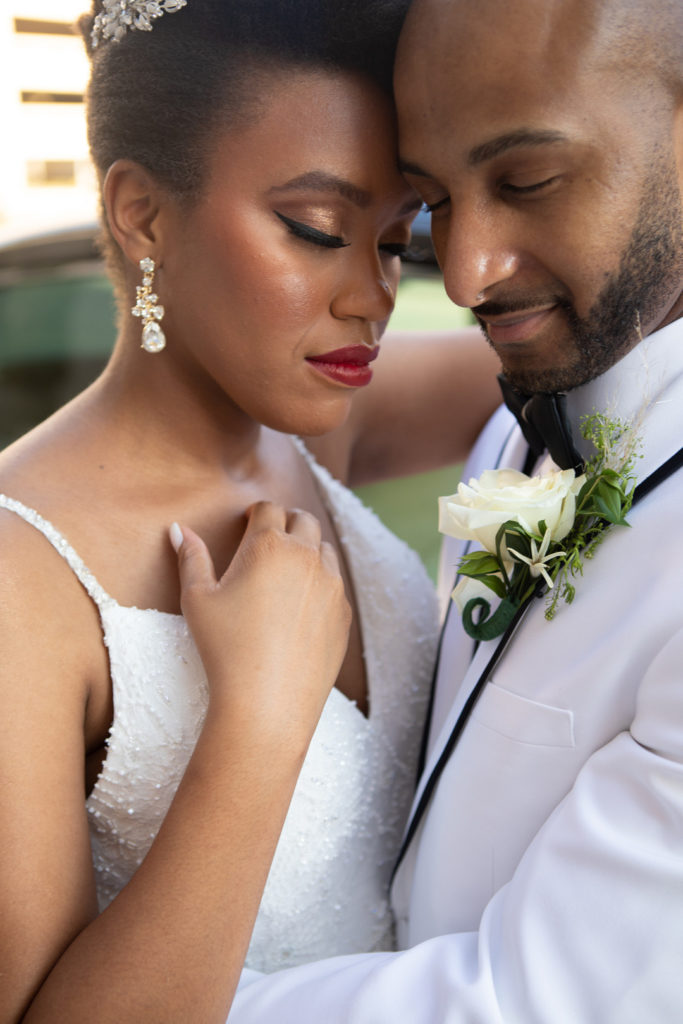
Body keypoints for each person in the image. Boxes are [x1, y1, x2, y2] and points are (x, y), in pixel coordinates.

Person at [0, 1, 502, 1021]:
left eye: (395, 238)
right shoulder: (20, 580)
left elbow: (596, 371)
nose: (371, 293)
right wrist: (259, 719)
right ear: (141, 212)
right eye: (315, 230)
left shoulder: (317, 426)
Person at [228, 0, 683, 1019]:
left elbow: (528, 1002)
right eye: (431, 200)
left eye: (525, 182)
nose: (468, 269)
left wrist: (132, 999)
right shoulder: (541, 396)